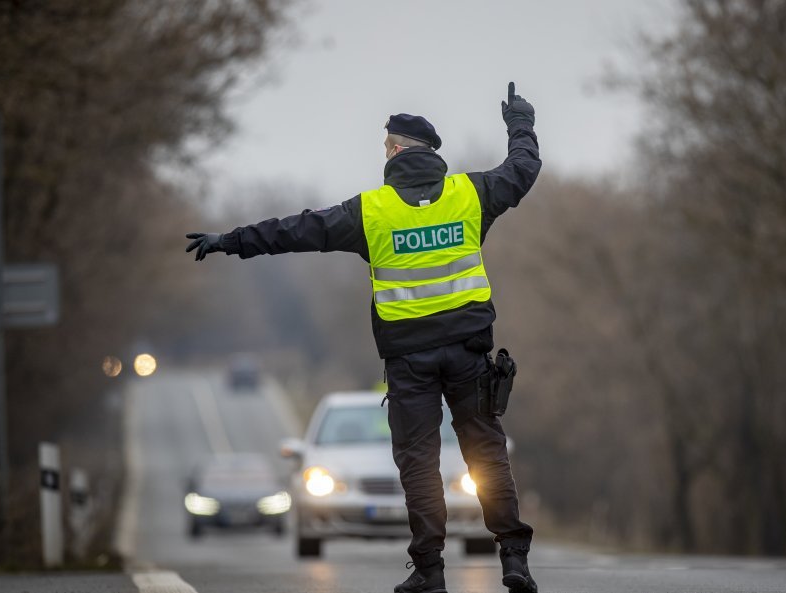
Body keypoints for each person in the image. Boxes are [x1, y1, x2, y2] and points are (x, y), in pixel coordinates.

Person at [185, 82, 541, 593]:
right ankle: (514, 561)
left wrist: (231, 241)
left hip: (410, 362)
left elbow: (296, 231)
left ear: (395, 149)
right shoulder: (472, 194)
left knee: (419, 464)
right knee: (486, 454)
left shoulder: (369, 212)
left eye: (384, 146)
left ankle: (430, 573)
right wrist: (520, 124)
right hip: (469, 354)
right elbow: (522, 171)